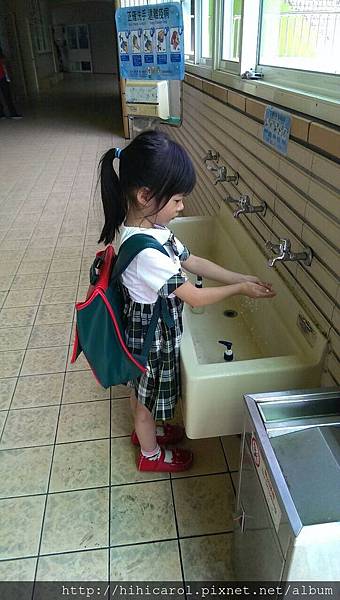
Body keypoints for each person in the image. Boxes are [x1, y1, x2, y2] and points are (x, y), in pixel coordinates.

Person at [98, 130, 276, 473]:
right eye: (178, 199)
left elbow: (193, 261)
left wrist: (240, 277)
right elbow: (193, 295)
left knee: (143, 392)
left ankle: (147, 431)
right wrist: (239, 291)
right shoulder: (147, 252)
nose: (183, 206)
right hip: (150, 342)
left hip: (146, 334)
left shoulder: (152, 229)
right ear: (145, 194)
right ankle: (149, 453)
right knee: (145, 405)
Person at [0, 50, 23, 119]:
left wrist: (8, 76)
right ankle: (2, 114)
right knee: (7, 95)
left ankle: (12, 113)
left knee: (7, 95)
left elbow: (4, 63)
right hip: (2, 76)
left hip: (2, 76)